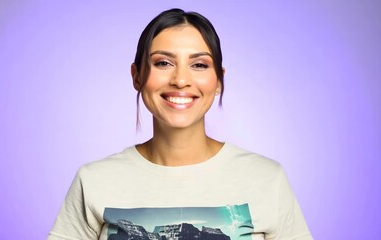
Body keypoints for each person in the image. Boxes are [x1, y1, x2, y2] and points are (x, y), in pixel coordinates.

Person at [48, 8, 312, 240]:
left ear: (218, 80)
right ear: (137, 76)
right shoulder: (94, 180)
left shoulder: (266, 178)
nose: (181, 80)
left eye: (199, 64)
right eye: (163, 63)